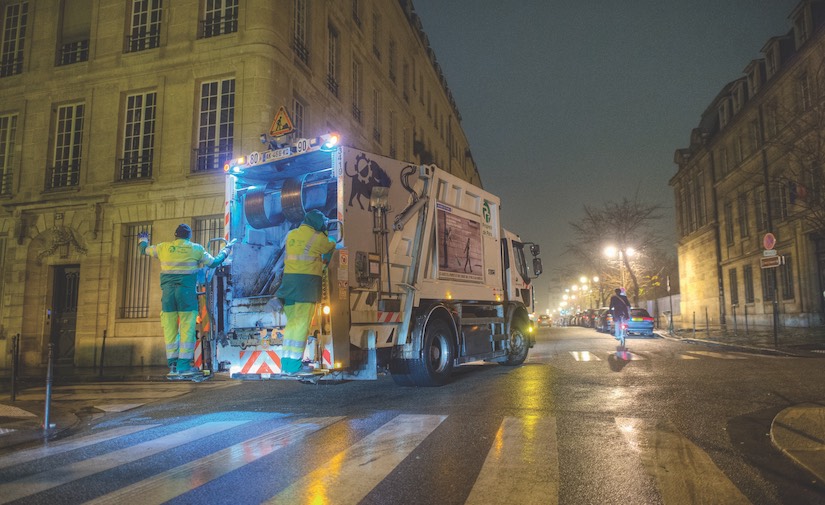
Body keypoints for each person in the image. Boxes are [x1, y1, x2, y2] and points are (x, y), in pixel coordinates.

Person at [138, 224, 233, 377]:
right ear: (189, 236)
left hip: (168, 296)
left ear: (175, 236)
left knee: (170, 331)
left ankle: (173, 366)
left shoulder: (163, 248)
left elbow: (144, 250)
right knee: (186, 330)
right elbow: (214, 263)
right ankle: (183, 366)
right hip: (187, 295)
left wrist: (143, 240)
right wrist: (225, 250)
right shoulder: (196, 249)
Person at [276, 210, 336, 375]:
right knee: (302, 325)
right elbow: (331, 245)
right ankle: (295, 365)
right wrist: (325, 233)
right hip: (305, 286)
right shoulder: (317, 238)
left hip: (288, 286)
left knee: (292, 325)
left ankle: (286, 364)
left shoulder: (291, 234)